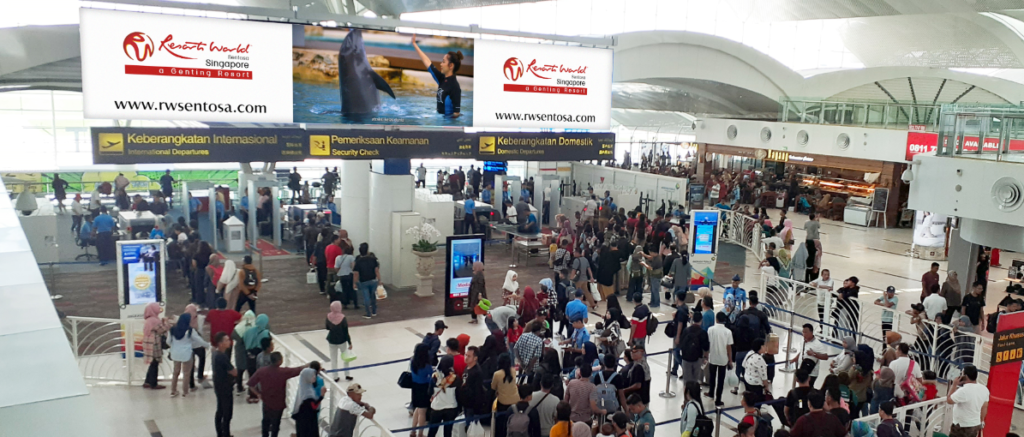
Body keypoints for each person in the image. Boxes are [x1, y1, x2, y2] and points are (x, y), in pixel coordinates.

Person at [248, 352, 306, 437]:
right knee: (276, 424)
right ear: (279, 361)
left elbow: (250, 384)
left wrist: (258, 394)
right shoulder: (283, 372)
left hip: (266, 401)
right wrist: (310, 365)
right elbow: (297, 370)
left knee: (265, 421)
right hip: (278, 403)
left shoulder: (262, 371)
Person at [411, 35, 463, 118]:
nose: (441, 64)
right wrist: (414, 44)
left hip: (447, 122)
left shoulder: (455, 87)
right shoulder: (442, 78)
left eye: (443, 62)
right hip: (440, 118)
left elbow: (456, 114)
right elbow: (428, 62)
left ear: (451, 65)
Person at [169, 313, 208, 397]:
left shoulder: (172, 329)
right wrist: (208, 345)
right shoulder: (190, 330)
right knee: (186, 373)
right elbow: (199, 340)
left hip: (175, 353)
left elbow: (168, 341)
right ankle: (185, 392)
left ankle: (173, 390)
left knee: (175, 372)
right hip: (186, 353)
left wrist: (174, 346)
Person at [947, 366, 989, 437]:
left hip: (961, 425)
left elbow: (949, 400)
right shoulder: (984, 389)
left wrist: (954, 385)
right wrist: (982, 421)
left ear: (965, 376)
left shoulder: (963, 391)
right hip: (975, 424)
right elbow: (984, 407)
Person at [705, 312, 733, 406]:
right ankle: (718, 399)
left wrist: (706, 355)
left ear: (716, 319)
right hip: (723, 359)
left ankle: (711, 393)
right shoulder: (728, 332)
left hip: (712, 357)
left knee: (712, 377)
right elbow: (729, 347)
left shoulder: (710, 329)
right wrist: (730, 360)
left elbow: (708, 343)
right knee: (721, 380)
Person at [212, 332, 238, 437]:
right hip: (225, 387)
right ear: (221, 343)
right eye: (226, 340)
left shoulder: (215, 354)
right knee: (227, 412)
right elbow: (234, 371)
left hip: (219, 385)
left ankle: (220, 433)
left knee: (220, 409)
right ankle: (225, 434)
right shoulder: (222, 357)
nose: (229, 342)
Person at [428, 356, 460, 437]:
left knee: (432, 432)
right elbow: (459, 394)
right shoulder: (456, 379)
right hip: (451, 407)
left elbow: (429, 392)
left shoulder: (435, 377)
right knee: (448, 432)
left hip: (437, 407)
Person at [142, 302, 170, 389]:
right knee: (155, 363)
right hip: (154, 343)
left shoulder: (148, 319)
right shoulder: (155, 320)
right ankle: (153, 384)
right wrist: (166, 323)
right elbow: (162, 330)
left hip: (148, 343)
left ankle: (147, 382)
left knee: (152, 363)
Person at [492, 353, 520, 437]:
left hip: (503, 401)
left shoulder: (497, 374)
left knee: (501, 423)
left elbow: (493, 387)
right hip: (515, 400)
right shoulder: (513, 371)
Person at [326, 301, 353, 381]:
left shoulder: (328, 316)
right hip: (342, 340)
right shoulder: (342, 318)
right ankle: (347, 374)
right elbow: (346, 331)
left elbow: (327, 327)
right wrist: (350, 342)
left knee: (333, 359)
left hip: (332, 340)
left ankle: (335, 376)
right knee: (345, 358)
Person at [352, 243, 380, 319]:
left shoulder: (358, 261)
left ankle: (368, 313)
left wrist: (354, 283)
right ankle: (374, 311)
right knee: (373, 295)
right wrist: (379, 280)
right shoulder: (373, 259)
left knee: (366, 297)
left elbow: (356, 274)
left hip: (364, 281)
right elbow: (376, 270)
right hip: (373, 280)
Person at [232, 310, 256, 393]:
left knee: (240, 369)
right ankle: (251, 389)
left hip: (240, 350)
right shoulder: (255, 325)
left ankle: (239, 386)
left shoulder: (239, 326)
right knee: (251, 371)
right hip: (251, 350)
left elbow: (233, 335)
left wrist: (241, 341)